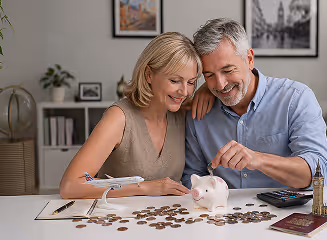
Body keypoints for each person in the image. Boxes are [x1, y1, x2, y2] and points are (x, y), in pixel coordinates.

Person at [60, 32, 214, 199]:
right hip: (119, 220)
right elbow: (71, 186)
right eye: (175, 81)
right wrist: (144, 188)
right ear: (149, 74)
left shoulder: (182, 112)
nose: (184, 91)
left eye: (191, 82)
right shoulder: (119, 118)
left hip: (168, 220)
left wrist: (206, 88)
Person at [182, 18, 327, 190]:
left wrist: (259, 160)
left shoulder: (296, 99)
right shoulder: (199, 114)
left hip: (289, 214)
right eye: (209, 75)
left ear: (250, 59)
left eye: (228, 70)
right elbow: (192, 178)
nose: (220, 84)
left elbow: (320, 174)